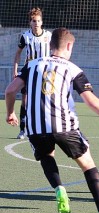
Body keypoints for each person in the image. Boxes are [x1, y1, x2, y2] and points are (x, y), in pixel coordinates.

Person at [5, 27, 99, 213]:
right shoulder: (73, 69)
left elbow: (10, 90)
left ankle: (59, 188)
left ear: (50, 46)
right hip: (65, 127)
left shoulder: (31, 65)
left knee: (47, 156)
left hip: (36, 129)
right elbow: (91, 101)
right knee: (88, 165)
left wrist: (10, 113)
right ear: (69, 45)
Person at [13, 7, 52, 139]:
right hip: (28, 71)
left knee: (45, 99)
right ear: (30, 22)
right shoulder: (25, 36)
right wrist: (15, 71)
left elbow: (55, 52)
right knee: (25, 100)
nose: (36, 24)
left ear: (42, 22)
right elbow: (18, 54)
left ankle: (45, 128)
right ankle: (22, 130)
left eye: (38, 21)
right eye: (34, 21)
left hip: (44, 73)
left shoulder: (48, 36)